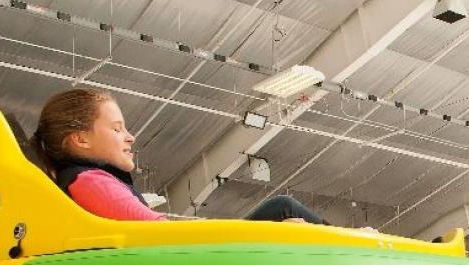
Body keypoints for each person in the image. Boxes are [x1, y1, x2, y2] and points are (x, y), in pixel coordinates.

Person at [30, 88, 327, 225]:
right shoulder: (92, 183)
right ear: (81, 139)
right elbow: (159, 233)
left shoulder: (92, 180)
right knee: (283, 207)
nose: (130, 137)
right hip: (193, 259)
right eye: (117, 129)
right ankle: (358, 245)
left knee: (281, 208)